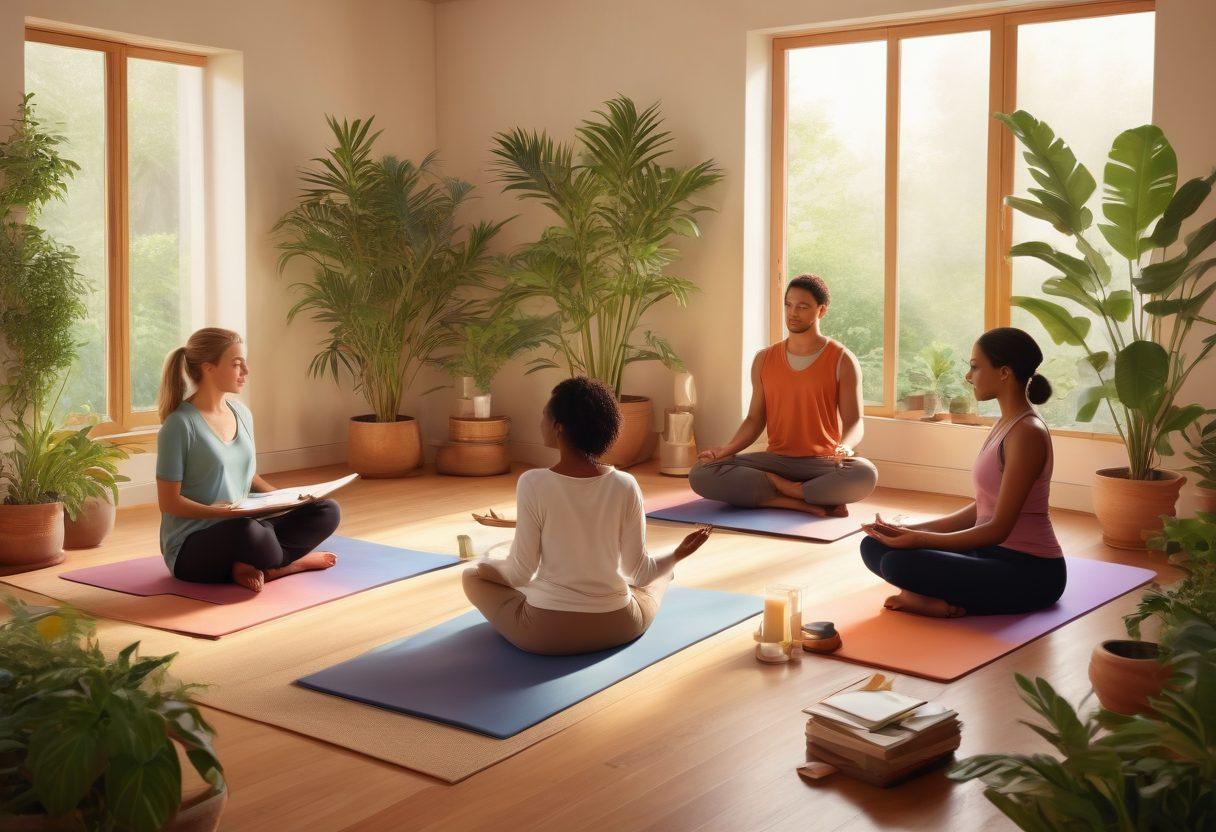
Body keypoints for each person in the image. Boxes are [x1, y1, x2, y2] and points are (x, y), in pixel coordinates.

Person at [462, 377, 713, 655]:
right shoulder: (625, 484)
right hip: (620, 625)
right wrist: (677, 554)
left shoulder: (533, 483)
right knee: (658, 577)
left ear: (558, 427)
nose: (540, 421)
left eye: (545, 415)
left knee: (471, 576)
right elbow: (639, 573)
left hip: (545, 634)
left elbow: (520, 573)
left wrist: (484, 565)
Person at [859, 327, 1066, 617]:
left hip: (1029, 570)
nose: (969, 376)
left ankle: (934, 599)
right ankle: (931, 596)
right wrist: (907, 530)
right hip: (988, 554)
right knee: (874, 546)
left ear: (1004, 372)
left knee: (899, 564)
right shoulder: (1005, 423)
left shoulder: (1027, 433)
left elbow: (998, 529)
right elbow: (983, 508)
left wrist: (921, 540)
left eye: (975, 367)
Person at [155, 328, 340, 592]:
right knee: (249, 534)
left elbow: (249, 477)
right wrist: (218, 513)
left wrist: (289, 500)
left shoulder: (241, 413)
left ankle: (250, 564)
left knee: (327, 510)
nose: (246, 371)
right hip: (193, 547)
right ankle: (285, 566)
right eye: (237, 364)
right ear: (208, 368)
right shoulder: (179, 425)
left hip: (246, 522)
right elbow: (169, 502)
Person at [689, 274, 877, 516]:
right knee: (701, 472)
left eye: (802, 306)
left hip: (822, 463)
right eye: (788, 304)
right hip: (776, 462)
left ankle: (784, 492)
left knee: (865, 474)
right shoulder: (764, 359)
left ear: (821, 311)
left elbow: (855, 421)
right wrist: (725, 450)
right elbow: (754, 420)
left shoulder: (842, 359)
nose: (792, 313)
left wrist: (846, 447)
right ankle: (794, 496)